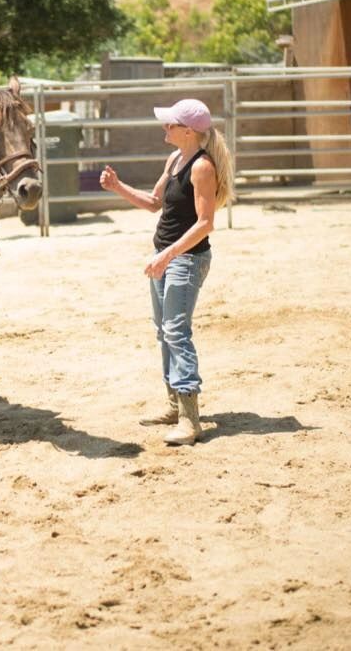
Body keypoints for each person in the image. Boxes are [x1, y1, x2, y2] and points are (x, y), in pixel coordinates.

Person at [100, 99, 234, 445]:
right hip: (166, 256)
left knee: (176, 331)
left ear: (188, 131)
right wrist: (117, 187)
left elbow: (205, 224)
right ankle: (174, 404)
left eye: (170, 125)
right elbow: (154, 204)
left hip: (186, 260)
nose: (165, 129)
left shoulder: (202, 167)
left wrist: (168, 256)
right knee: (164, 331)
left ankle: (191, 419)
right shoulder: (175, 159)